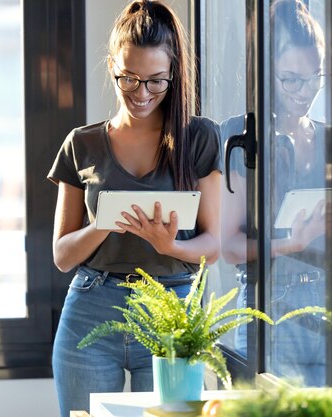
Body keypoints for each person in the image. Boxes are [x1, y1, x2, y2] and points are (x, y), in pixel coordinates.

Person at [47, 1, 222, 415]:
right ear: (112, 66)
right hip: (91, 309)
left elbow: (212, 245)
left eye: (156, 81)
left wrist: (171, 247)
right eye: (129, 78)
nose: (141, 93)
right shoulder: (81, 144)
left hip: (171, 313)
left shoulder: (198, 137)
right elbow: (61, 255)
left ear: (173, 73)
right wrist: (104, 224)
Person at [220, 0, 332, 386]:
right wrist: (293, 242)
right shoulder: (243, 137)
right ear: (269, 73)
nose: (305, 92)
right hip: (269, 308)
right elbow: (230, 248)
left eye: (315, 77)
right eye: (291, 79)